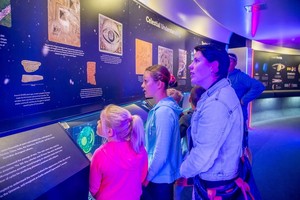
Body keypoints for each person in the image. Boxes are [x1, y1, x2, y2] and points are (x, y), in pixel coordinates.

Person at [180, 45, 257, 199]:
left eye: (196, 60)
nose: (190, 65)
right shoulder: (218, 93)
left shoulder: (217, 103)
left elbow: (203, 155)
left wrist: (179, 171)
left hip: (215, 184)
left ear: (213, 67)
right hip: (219, 178)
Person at [141, 65, 183, 200]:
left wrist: (147, 177)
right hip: (160, 176)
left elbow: (161, 152)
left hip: (158, 179)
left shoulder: (163, 112)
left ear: (159, 84)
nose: (143, 85)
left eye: (146, 81)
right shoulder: (163, 109)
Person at [89, 104, 148, 200]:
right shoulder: (140, 149)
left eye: (100, 121)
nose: (98, 122)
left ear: (109, 132)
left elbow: (93, 189)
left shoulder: (100, 154)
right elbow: (142, 177)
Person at [228, 53, 265, 148]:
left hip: (239, 115)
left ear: (235, 63)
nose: (228, 63)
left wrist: (244, 99)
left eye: (230, 61)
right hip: (226, 116)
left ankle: (243, 158)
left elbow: (259, 86)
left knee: (240, 141)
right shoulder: (222, 76)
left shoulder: (241, 76)